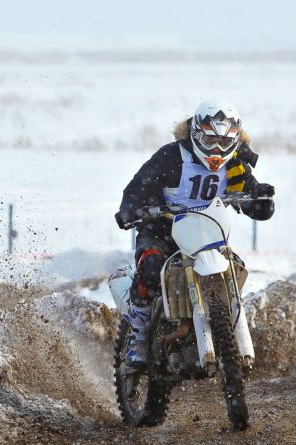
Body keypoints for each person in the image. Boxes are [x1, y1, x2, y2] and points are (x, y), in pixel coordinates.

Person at [115, 98, 276, 369]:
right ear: (196, 134)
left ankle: (220, 322)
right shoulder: (171, 157)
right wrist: (133, 209)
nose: (216, 150)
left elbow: (251, 196)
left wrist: (261, 201)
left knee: (236, 266)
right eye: (210, 141)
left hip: (207, 236)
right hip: (162, 231)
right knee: (151, 266)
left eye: (223, 143)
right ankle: (138, 336)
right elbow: (137, 188)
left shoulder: (235, 163)